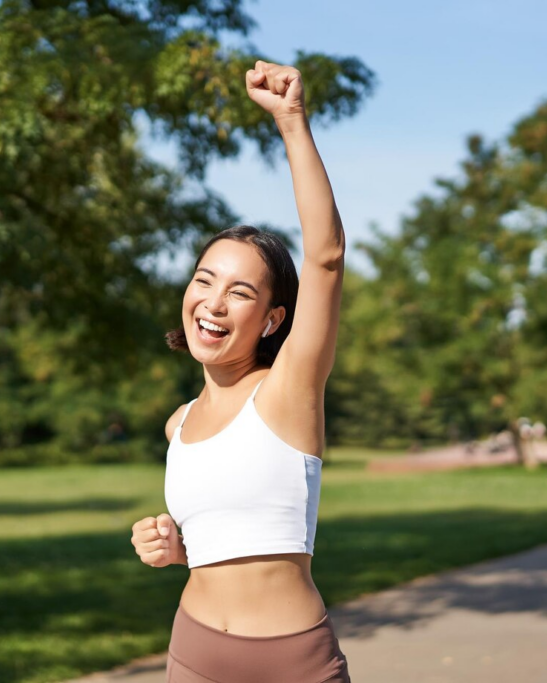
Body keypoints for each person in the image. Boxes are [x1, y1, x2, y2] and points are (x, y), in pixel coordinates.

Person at [130, 59, 350, 683]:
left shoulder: (289, 392)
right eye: (204, 280)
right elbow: (227, 536)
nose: (213, 302)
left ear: (275, 319)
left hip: (290, 662)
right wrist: (178, 549)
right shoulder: (180, 424)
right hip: (194, 651)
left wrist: (290, 120)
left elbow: (327, 256)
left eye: (241, 293)